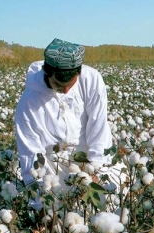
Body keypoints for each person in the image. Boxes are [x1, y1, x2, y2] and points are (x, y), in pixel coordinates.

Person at [14, 38, 114, 192]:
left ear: (78, 72)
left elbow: (98, 127)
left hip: (90, 158)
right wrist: (40, 195)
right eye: (59, 85)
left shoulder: (91, 80)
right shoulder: (29, 102)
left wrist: (96, 169)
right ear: (47, 73)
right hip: (53, 165)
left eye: (70, 85)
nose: (66, 90)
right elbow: (30, 152)